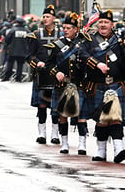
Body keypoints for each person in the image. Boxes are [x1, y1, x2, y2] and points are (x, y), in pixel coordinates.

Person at [78, 9, 125, 163]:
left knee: (115, 117)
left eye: (106, 22)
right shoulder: (90, 40)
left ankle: (119, 148)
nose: (103, 25)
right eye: (101, 22)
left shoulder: (120, 40)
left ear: (112, 25)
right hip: (97, 84)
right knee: (101, 119)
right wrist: (97, 64)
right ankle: (101, 151)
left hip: (117, 84)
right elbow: (83, 55)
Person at [40, 12, 89, 154]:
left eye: (69, 28)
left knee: (81, 116)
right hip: (62, 85)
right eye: (64, 27)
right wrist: (56, 72)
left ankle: (82, 144)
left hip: (78, 83)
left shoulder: (83, 43)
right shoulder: (57, 45)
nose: (65, 30)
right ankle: (65, 143)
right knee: (62, 115)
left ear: (76, 29)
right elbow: (48, 65)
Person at [28, 5, 61, 145]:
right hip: (41, 75)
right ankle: (42, 133)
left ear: (54, 18)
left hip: (55, 74)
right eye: (44, 16)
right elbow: (29, 56)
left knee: (55, 106)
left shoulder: (61, 35)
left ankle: (55, 134)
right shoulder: (35, 35)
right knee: (41, 106)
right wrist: (37, 63)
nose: (46, 19)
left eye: (48, 17)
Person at [1, 17, 36, 82]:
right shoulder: (27, 31)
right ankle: (18, 78)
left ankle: (7, 77)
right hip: (23, 51)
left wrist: (7, 46)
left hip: (12, 50)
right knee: (20, 65)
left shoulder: (13, 30)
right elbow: (31, 40)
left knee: (10, 64)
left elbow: (7, 39)